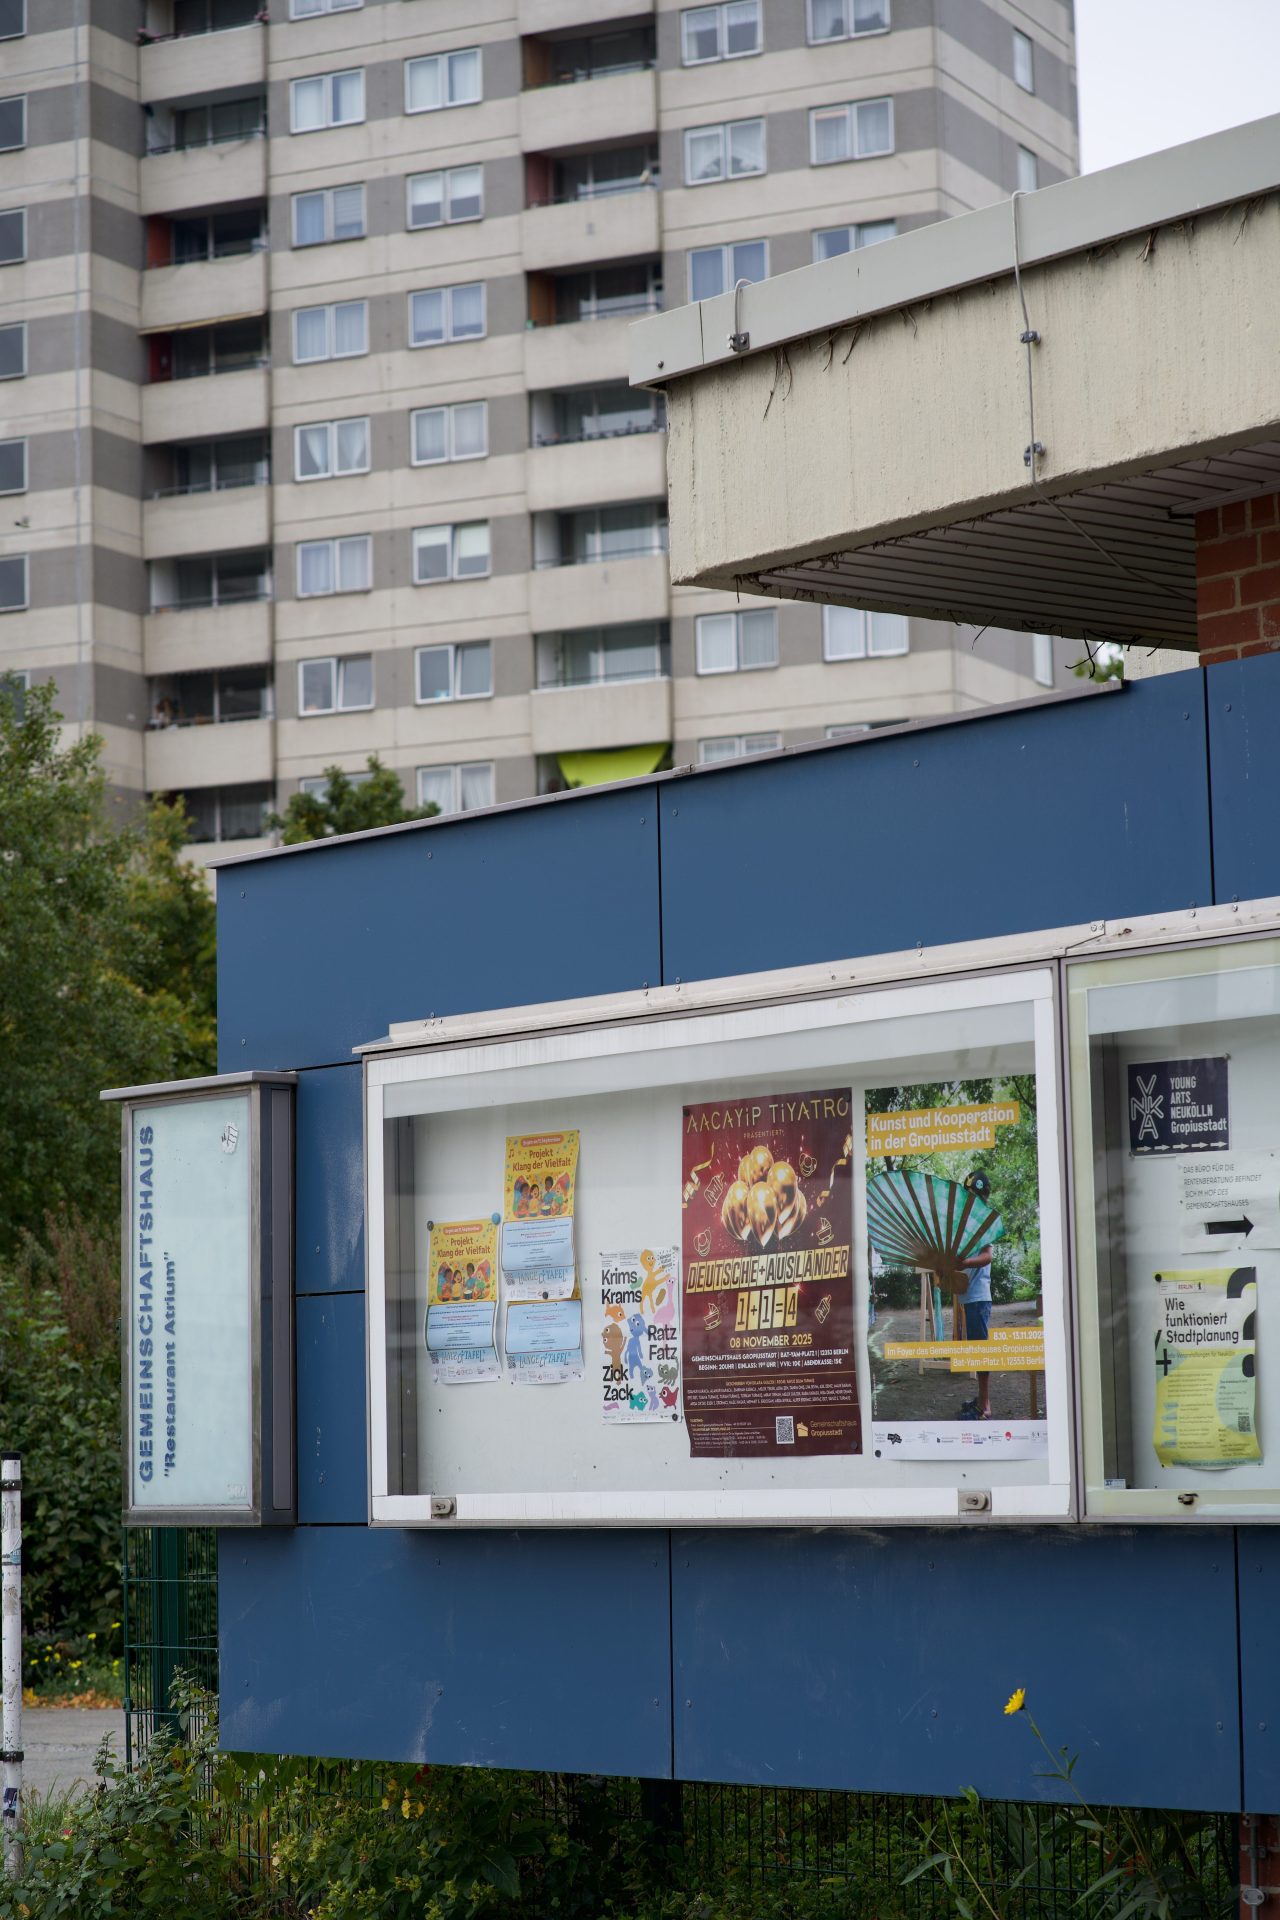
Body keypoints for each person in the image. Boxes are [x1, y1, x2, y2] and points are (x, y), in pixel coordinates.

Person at [956, 1243, 995, 1418]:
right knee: (977, 1350)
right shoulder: (963, 1230)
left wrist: (966, 1263)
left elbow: (987, 1256)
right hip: (971, 1298)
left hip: (978, 1299)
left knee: (980, 1352)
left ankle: (984, 1407)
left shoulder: (981, 1224)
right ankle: (982, 1399)